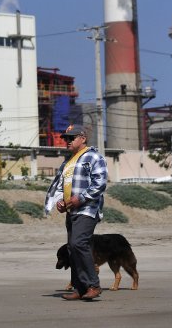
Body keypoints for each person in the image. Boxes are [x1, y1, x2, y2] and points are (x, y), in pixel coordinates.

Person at [44, 124, 108, 301]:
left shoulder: (93, 157)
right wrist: (61, 202)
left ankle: (93, 285)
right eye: (65, 138)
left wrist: (80, 198)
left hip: (88, 209)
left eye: (71, 138)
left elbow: (100, 183)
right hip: (72, 211)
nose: (67, 141)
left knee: (79, 243)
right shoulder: (68, 162)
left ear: (83, 138)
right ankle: (80, 288)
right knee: (72, 248)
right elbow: (61, 186)